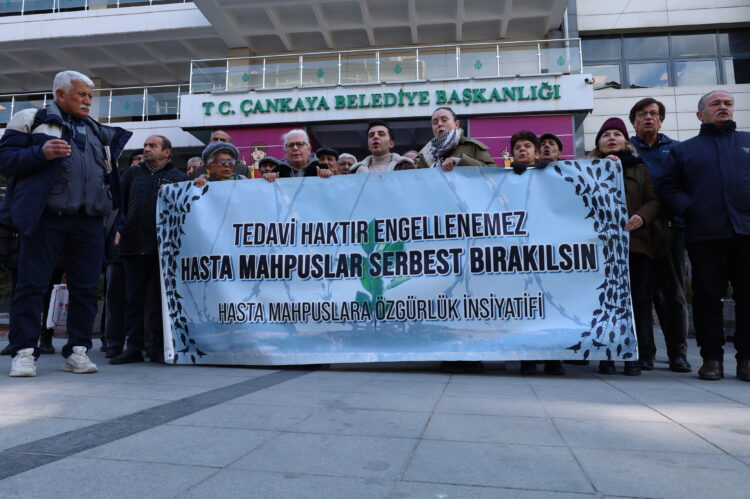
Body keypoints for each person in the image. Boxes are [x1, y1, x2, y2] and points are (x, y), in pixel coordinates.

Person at [0, 70, 131, 377]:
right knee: (31, 286)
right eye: (82, 94)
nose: (88, 101)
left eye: (90, 95)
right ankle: (24, 352)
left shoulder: (96, 130)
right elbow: (4, 160)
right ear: (60, 94)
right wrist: (40, 152)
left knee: (85, 290)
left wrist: (117, 223)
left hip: (89, 222)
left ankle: (77, 351)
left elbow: (110, 180)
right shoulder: (31, 118)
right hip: (46, 218)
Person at [659, 90, 750, 382]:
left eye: (728, 103)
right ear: (700, 114)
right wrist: (690, 209)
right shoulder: (685, 150)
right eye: (716, 104)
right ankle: (712, 359)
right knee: (707, 298)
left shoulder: (748, 142)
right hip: (705, 235)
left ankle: (747, 360)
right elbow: (668, 188)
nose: (723, 107)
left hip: (746, 232)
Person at [591, 118, 660, 377]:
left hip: (636, 245)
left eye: (617, 134)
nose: (611, 138)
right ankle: (607, 354)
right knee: (605, 301)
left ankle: (637, 354)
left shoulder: (640, 169)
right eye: (606, 134)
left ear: (626, 142)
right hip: (600, 250)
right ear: (598, 144)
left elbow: (654, 200)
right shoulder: (586, 169)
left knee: (638, 301)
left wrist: (642, 216)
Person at [110, 135, 187, 365]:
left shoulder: (179, 178)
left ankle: (158, 348)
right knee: (133, 299)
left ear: (167, 152)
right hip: (133, 245)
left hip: (163, 249)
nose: (146, 149)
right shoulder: (133, 174)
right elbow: (119, 204)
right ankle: (133, 346)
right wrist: (119, 229)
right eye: (145, 145)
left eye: (152, 146)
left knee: (160, 301)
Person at [629, 97, 690, 373]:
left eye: (653, 113)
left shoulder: (677, 150)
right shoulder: (627, 151)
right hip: (638, 233)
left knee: (673, 295)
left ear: (661, 120)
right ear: (634, 121)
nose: (648, 118)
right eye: (642, 114)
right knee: (640, 295)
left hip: (670, 230)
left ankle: (678, 353)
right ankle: (645, 353)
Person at [509, 131, 565, 376]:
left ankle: (554, 358)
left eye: (527, 146)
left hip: (549, 249)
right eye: (517, 147)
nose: (522, 150)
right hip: (520, 253)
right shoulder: (506, 178)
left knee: (552, 304)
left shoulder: (554, 174)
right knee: (526, 305)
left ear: (536, 151)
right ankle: (528, 358)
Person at [416, 107, 497, 170]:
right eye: (435, 122)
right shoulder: (425, 156)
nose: (439, 124)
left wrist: (459, 161)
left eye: (444, 120)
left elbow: (493, 171)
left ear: (457, 124)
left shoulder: (472, 146)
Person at [263, 129, 333, 181]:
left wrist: (328, 177)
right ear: (285, 151)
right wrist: (267, 179)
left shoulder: (322, 169)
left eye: (299, 144)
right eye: (291, 145)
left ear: (309, 149)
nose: (295, 148)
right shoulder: (276, 172)